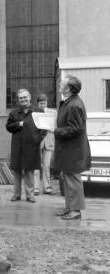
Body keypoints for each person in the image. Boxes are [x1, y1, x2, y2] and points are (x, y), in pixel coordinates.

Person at [53, 75, 91, 220]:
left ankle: (75, 210)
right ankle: (70, 207)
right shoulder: (70, 102)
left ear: (68, 89)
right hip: (69, 149)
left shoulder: (74, 105)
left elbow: (75, 129)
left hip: (73, 150)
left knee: (73, 180)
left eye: (61, 84)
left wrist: (55, 131)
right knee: (68, 179)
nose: (59, 85)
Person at [6, 89, 44, 203]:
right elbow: (8, 126)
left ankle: (30, 195)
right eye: (21, 98)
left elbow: (44, 128)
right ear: (18, 100)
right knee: (17, 170)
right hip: (18, 145)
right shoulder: (14, 113)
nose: (23, 99)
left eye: (25, 97)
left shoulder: (38, 111)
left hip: (32, 145)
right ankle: (16, 194)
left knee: (29, 170)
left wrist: (38, 139)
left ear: (30, 97)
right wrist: (18, 124)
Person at [33, 94, 56, 196]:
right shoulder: (34, 113)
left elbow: (55, 127)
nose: (42, 105)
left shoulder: (53, 113)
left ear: (47, 102)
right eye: (41, 103)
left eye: (44, 103)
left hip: (49, 141)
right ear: (37, 104)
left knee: (46, 166)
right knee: (36, 165)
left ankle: (47, 188)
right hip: (37, 141)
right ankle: (36, 188)